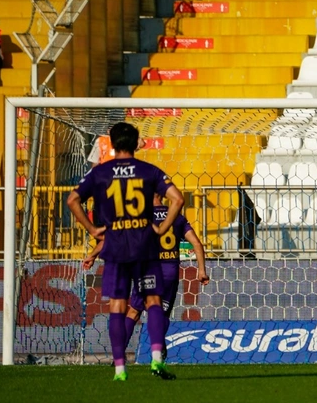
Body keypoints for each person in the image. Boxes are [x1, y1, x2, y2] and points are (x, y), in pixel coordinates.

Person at [67, 122, 184, 381]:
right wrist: (163, 226)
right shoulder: (149, 171)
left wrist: (93, 229)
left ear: (111, 142)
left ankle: (120, 368)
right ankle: (156, 360)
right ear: (136, 142)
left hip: (116, 247)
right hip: (144, 244)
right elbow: (178, 199)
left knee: (119, 306)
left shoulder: (100, 172)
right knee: (153, 301)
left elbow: (72, 200)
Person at [83, 193, 210, 373]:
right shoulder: (177, 217)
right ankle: (158, 353)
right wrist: (201, 270)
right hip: (169, 273)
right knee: (161, 314)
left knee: (134, 312)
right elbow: (196, 243)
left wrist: (93, 255)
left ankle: (118, 358)